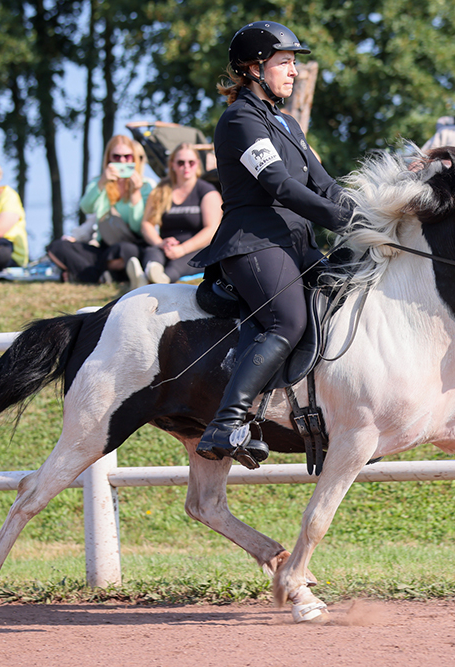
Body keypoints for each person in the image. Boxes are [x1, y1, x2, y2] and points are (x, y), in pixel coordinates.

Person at [188, 21, 352, 467]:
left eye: (295, 63)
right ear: (255, 68)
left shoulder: (288, 124)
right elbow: (277, 184)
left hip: (297, 242)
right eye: (285, 62)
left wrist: (366, 214)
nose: (294, 71)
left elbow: (323, 184)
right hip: (254, 242)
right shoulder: (240, 120)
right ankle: (228, 421)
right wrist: (339, 219)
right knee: (287, 321)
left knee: (348, 296)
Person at [47, 135, 154, 283]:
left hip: (132, 246)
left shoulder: (147, 186)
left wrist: (135, 194)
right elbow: (86, 208)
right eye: (116, 157)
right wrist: (102, 182)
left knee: (126, 250)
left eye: (127, 156)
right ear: (108, 159)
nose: (122, 161)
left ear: (134, 158)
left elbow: (138, 227)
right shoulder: (99, 182)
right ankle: (104, 274)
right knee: (58, 247)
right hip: (105, 247)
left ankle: (89, 274)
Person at [134, 143, 222, 285]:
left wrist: (183, 249)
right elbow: (147, 223)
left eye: (191, 162)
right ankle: (150, 272)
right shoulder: (161, 190)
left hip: (196, 249)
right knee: (152, 252)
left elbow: (211, 229)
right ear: (172, 165)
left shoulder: (207, 191)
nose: (186, 166)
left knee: (179, 264)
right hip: (166, 247)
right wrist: (160, 243)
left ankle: (158, 280)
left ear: (198, 164)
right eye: (181, 163)